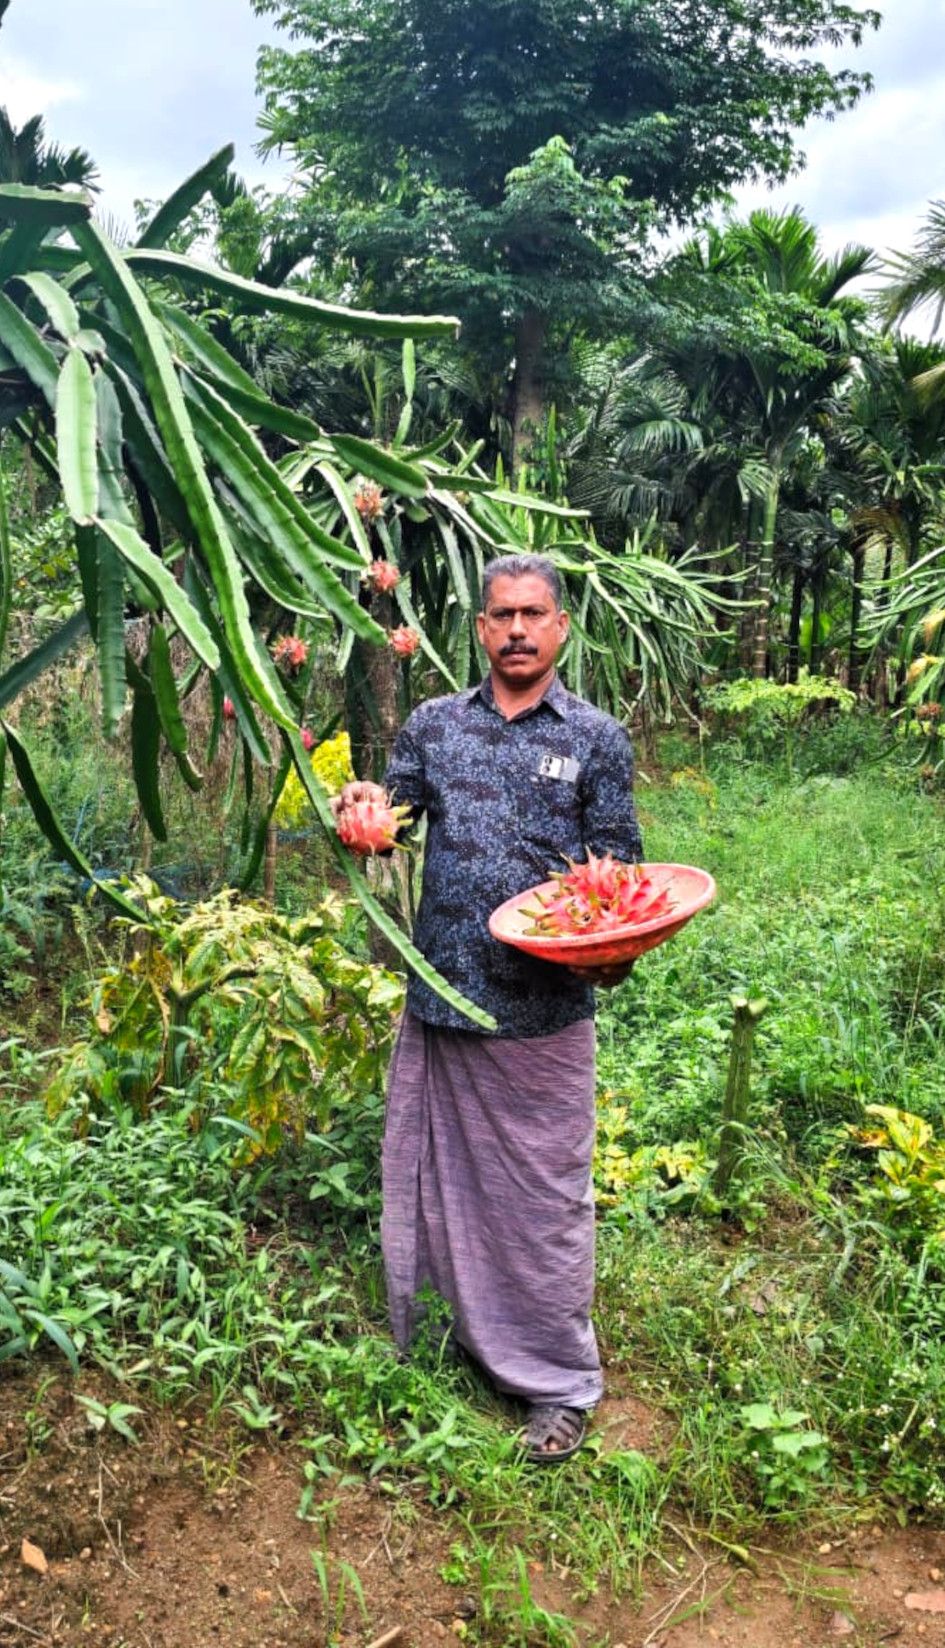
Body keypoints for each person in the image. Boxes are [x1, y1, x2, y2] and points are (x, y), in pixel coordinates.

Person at [337, 554, 643, 1461]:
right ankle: (445, 1338)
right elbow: (390, 813)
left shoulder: (595, 737)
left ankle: (554, 1384)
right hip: (442, 997)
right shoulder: (434, 726)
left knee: (544, 1204)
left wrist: (610, 943)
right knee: (438, 1185)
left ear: (560, 627)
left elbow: (618, 870)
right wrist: (361, 809)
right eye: (500, 614)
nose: (516, 630)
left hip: (543, 1015)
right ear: (478, 628)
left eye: (533, 614)